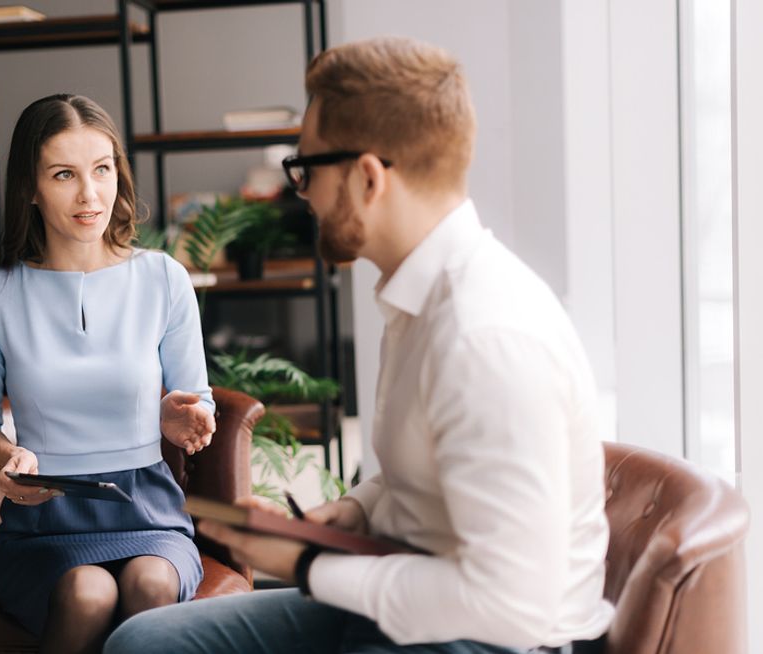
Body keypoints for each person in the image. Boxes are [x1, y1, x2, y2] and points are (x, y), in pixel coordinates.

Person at [104, 36, 614, 654]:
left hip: (486, 640)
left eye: (307, 170)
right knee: (144, 644)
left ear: (368, 178)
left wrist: (307, 566)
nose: (305, 194)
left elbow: (509, 605)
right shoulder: (419, 301)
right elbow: (427, 477)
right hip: (409, 597)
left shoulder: (484, 336)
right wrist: (359, 511)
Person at [0, 93, 216, 654]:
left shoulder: (163, 279)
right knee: (88, 591)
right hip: (47, 518)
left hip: (146, 509)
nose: (89, 194)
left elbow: (199, 399)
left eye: (102, 170)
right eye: (63, 174)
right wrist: (8, 457)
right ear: (30, 186)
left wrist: (182, 416)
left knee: (150, 582)